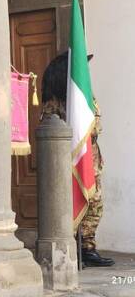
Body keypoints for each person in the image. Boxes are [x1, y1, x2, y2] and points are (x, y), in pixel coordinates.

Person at [41, 51, 114, 267]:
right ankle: (70, 248)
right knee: (69, 203)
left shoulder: (83, 96)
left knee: (95, 204)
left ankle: (87, 248)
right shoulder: (54, 101)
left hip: (90, 159)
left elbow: (95, 127)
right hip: (68, 161)